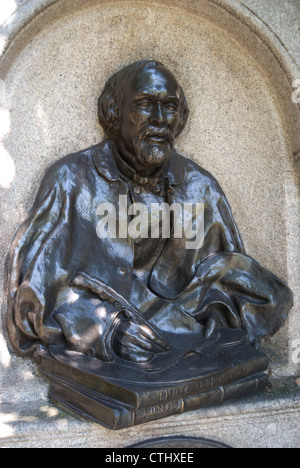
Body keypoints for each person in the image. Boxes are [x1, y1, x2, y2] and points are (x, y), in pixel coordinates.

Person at [4, 60, 293, 364]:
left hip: (183, 341)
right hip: (112, 346)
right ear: (114, 112)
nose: (159, 119)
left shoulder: (201, 188)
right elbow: (33, 292)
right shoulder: (70, 181)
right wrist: (106, 328)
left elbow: (238, 289)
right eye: (145, 104)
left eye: (170, 107)